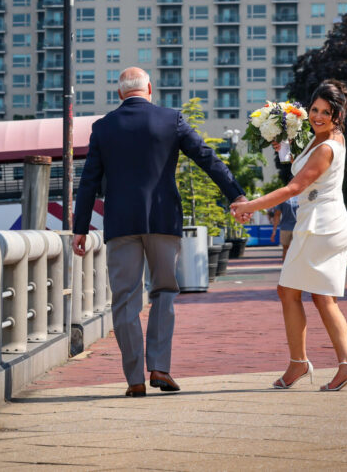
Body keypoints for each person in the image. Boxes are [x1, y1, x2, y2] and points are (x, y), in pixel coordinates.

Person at [72, 67, 249, 397]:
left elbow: (89, 182)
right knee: (164, 292)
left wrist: (79, 228)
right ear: (149, 88)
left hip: (121, 225)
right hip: (164, 221)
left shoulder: (103, 128)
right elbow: (207, 158)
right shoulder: (172, 120)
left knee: (125, 300)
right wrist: (236, 194)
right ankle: (160, 368)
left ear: (120, 93)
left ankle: (134, 379)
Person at [231, 79, 347, 392]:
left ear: (338, 115)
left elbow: (294, 187)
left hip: (321, 225)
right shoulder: (322, 137)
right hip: (317, 222)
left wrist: (249, 205)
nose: (317, 116)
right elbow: (297, 169)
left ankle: (307, 363)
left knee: (293, 292)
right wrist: (283, 146)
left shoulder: (327, 146)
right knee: (316, 296)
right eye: (315, 109)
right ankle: (337, 364)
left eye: (326, 112)